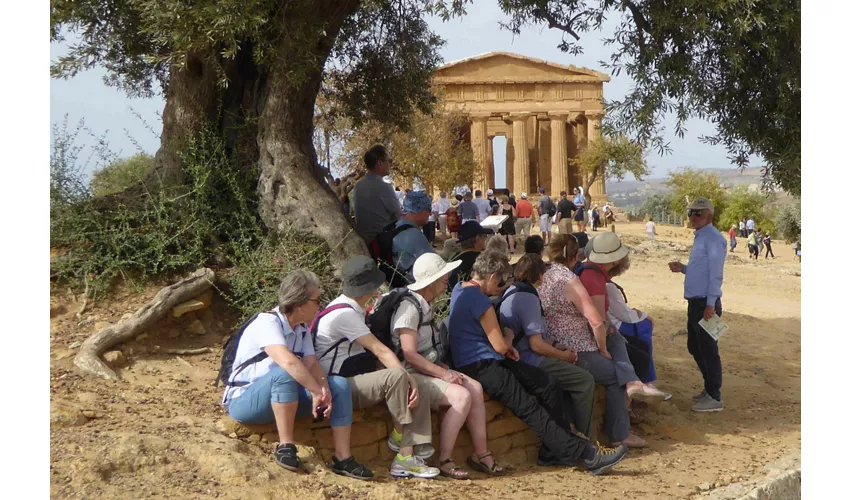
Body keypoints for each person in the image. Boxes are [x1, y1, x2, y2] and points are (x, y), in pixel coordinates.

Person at [448, 250, 628, 473]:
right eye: (501, 281)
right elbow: (501, 345)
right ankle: (587, 455)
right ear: (493, 276)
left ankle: (556, 451)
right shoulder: (479, 300)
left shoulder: (460, 290)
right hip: (484, 364)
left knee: (547, 384)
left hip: (483, 361)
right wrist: (509, 336)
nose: (502, 286)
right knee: (531, 409)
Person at [222, 270, 372, 478]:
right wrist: (315, 391)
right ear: (299, 304)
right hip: (244, 401)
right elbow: (288, 362)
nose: (321, 305)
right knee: (284, 373)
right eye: (317, 300)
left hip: (281, 396)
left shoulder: (301, 329)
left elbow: (312, 363)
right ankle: (286, 446)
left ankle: (343, 458)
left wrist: (324, 390)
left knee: (339, 384)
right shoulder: (267, 322)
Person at [313, 256, 439, 478]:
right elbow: (379, 351)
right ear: (368, 287)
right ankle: (400, 438)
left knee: (416, 382)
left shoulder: (349, 308)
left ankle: (407, 453)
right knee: (400, 378)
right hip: (337, 386)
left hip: (350, 376)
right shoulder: (345, 315)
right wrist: (406, 377)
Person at [542, 235, 664, 448]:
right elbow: (597, 322)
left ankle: (633, 384)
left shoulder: (543, 274)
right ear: (574, 256)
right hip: (578, 347)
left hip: (554, 342)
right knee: (615, 376)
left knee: (618, 347)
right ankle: (620, 433)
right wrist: (602, 348)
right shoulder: (570, 280)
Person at [390, 253, 505, 478]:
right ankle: (444, 459)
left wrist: (445, 371)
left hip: (426, 368)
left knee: (475, 388)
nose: (446, 284)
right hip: (411, 374)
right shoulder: (409, 308)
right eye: (444, 280)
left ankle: (481, 453)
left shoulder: (424, 304)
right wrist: (444, 373)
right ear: (431, 282)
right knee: (461, 397)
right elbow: (409, 354)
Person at [499, 254, 596, 439]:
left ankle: (572, 429)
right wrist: (564, 356)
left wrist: (558, 346)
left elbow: (535, 334)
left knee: (576, 373)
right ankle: (587, 441)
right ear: (540, 276)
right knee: (585, 380)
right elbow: (536, 345)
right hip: (529, 360)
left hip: (521, 354)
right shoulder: (528, 298)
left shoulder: (512, 290)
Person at [668, 197, 727, 412]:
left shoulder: (714, 238)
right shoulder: (702, 237)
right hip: (697, 302)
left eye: (698, 213)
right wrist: (683, 268)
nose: (693, 217)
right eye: (691, 213)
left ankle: (715, 395)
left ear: (709, 216)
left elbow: (716, 274)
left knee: (708, 349)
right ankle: (709, 388)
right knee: (695, 346)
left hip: (706, 303)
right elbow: (702, 269)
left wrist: (710, 304)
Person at [601, 247, 670, 399]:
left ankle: (646, 377)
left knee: (642, 325)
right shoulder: (609, 286)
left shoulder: (604, 283)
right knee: (645, 327)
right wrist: (644, 315)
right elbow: (624, 314)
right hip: (614, 325)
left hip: (612, 321)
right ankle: (647, 379)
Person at [353, 145, 401, 243]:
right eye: (389, 161)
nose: (391, 165)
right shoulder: (384, 187)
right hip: (383, 243)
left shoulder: (358, 186)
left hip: (364, 241)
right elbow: (398, 216)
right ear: (380, 163)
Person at [391, 191, 437, 284]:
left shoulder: (396, 226)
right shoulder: (413, 235)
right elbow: (435, 264)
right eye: (429, 209)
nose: (430, 213)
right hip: (411, 286)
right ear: (420, 211)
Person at [448, 221, 494, 291]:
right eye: (484, 236)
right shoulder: (481, 259)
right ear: (477, 238)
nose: (485, 239)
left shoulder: (454, 258)